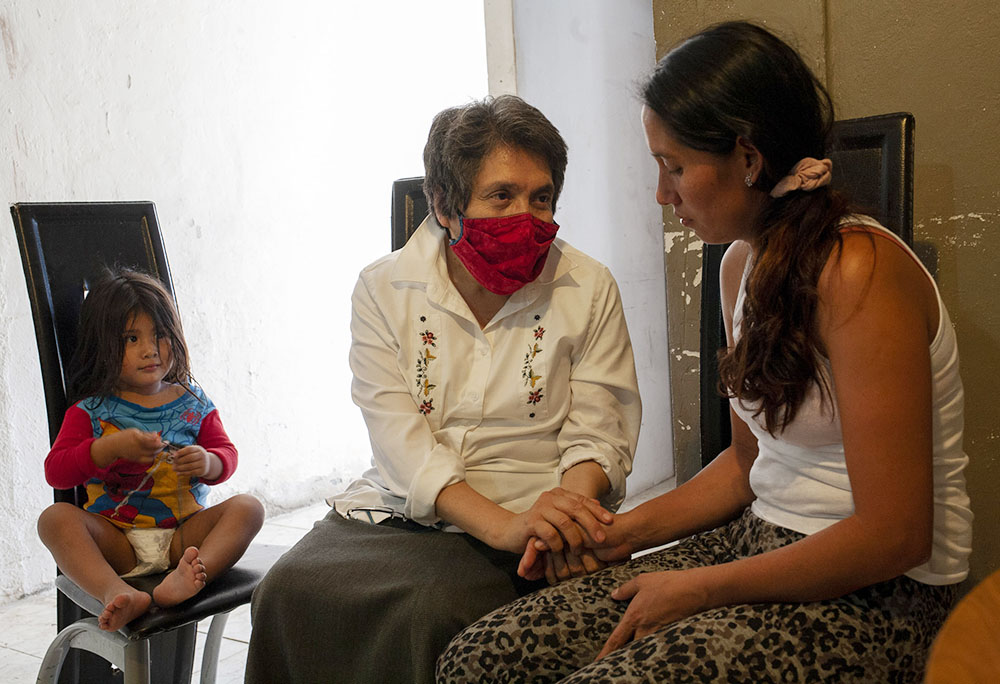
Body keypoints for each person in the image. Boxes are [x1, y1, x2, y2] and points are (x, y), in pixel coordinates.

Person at [437, 21, 972, 683]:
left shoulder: (858, 272)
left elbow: (896, 535)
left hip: (878, 595)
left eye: (675, 167)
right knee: (481, 657)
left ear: (748, 159)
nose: (663, 195)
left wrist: (701, 588)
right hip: (757, 540)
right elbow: (746, 465)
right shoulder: (740, 265)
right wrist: (613, 537)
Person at [245, 94, 641, 684]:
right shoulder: (384, 289)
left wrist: (563, 515)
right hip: (409, 509)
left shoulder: (587, 286)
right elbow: (399, 441)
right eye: (501, 196)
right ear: (444, 206)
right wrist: (500, 526)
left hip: (539, 513)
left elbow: (599, 428)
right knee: (285, 589)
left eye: (542, 198)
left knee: (432, 616)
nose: (526, 218)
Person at [37, 267, 265, 632]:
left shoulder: (193, 402)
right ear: (104, 345)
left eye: (160, 335)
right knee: (54, 520)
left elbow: (227, 454)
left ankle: (190, 578)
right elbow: (56, 471)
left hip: (184, 537)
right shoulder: (91, 411)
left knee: (249, 508)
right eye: (130, 339)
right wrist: (104, 450)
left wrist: (208, 462)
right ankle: (118, 592)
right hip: (116, 541)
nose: (150, 350)